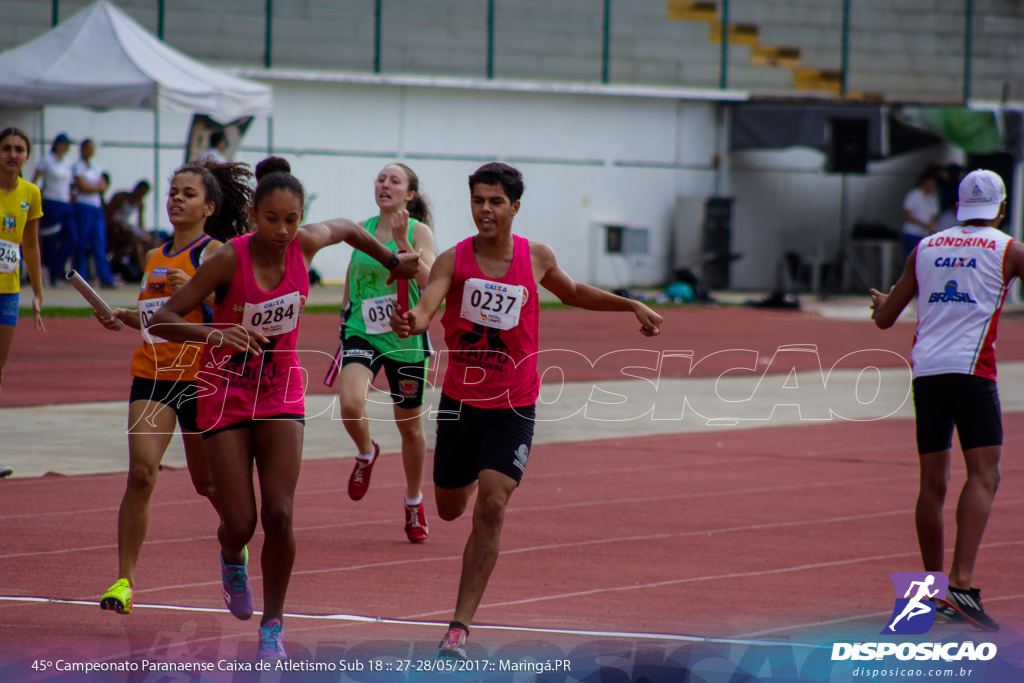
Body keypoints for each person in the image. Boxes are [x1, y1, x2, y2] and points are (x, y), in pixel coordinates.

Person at [149, 157, 419, 659]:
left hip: (279, 392)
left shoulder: (307, 243)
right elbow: (163, 319)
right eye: (271, 218)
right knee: (243, 522)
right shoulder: (230, 258)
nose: (282, 229)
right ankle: (231, 553)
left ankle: (272, 622)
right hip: (225, 393)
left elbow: (346, 229)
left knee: (280, 512)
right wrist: (216, 331)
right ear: (254, 215)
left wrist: (391, 261)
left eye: (291, 219)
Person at [390, 163, 663, 659]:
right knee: (451, 508)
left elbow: (574, 293)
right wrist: (413, 321)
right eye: (478, 200)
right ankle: (472, 472)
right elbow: (427, 307)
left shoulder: (535, 257)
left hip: (513, 404)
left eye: (495, 201)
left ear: (515, 207)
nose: (485, 210)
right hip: (459, 402)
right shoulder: (454, 260)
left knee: (492, 503)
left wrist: (630, 306)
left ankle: (458, 627)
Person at [93, 159, 253, 616]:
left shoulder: (218, 252)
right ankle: (124, 581)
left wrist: (203, 293)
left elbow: (235, 319)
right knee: (142, 473)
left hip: (201, 381)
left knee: (208, 484)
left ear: (209, 206)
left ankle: (234, 547)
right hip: (153, 377)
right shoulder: (153, 256)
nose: (176, 199)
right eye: (173, 192)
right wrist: (121, 316)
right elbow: (156, 318)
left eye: (187, 193)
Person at [870, 169, 1016, 632]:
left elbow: (885, 320)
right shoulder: (1009, 249)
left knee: (931, 483)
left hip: (927, 372)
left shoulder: (926, 247)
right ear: (1002, 208)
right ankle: (962, 583)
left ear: (958, 206)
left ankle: (930, 591)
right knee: (984, 474)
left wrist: (881, 303)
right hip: (974, 372)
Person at [340, 163, 436, 542]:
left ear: (409, 194)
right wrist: (345, 313)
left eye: (394, 181)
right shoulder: (362, 228)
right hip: (362, 331)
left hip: (405, 337)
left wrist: (404, 246)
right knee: (350, 404)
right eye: (380, 179)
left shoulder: (419, 231)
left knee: (410, 429)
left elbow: (431, 282)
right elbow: (353, 273)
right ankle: (366, 452)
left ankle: (413, 500)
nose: (384, 184)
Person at [0, 127, 46, 479]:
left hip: (9, 291)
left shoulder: (31, 193)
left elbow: (30, 244)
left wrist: (39, 290)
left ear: (27, 156)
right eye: (5, 149)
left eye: (19, 149)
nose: (12, 155)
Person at [32, 133, 76, 286]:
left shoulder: (68, 164)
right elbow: (35, 180)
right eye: (63, 144)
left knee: (72, 238)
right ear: (57, 144)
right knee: (50, 238)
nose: (65, 147)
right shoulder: (47, 160)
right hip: (50, 201)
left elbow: (70, 184)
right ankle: (49, 274)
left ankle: (52, 268)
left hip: (64, 202)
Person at [72, 139, 117, 288]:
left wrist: (93, 187)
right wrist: (96, 187)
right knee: (82, 242)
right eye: (87, 148)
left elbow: (103, 185)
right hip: (83, 205)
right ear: (82, 149)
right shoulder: (78, 166)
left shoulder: (96, 167)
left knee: (99, 242)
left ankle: (105, 276)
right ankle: (81, 276)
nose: (89, 151)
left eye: (92, 148)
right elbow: (82, 186)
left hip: (96, 206)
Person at [105, 180, 152, 281]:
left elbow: (140, 223)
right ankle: (143, 271)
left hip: (125, 226)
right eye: (141, 192)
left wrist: (144, 234)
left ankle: (148, 269)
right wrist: (117, 225)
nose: (142, 195)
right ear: (136, 189)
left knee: (146, 242)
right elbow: (107, 214)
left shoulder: (140, 203)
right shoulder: (121, 197)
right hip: (114, 225)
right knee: (134, 242)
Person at [900, 171, 940, 261]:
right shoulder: (913, 195)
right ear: (923, 183)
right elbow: (906, 214)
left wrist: (931, 225)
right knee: (911, 259)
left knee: (922, 260)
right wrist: (923, 224)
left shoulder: (932, 198)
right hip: (912, 232)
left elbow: (934, 214)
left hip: (925, 234)